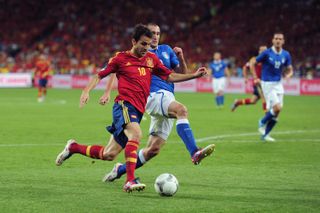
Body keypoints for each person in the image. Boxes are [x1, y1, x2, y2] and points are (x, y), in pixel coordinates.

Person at [55, 24, 208, 193]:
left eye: (148, 44)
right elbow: (100, 75)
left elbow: (170, 76)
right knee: (136, 134)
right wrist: (86, 91)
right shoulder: (120, 58)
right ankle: (129, 181)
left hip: (138, 109)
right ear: (134, 41)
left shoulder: (151, 60)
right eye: (143, 44)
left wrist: (194, 75)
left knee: (108, 154)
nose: (146, 48)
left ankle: (73, 147)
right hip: (124, 106)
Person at [100, 23, 215, 183]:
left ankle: (119, 170)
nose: (155, 36)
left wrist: (181, 57)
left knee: (153, 150)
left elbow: (181, 74)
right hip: (153, 96)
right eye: (152, 33)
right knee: (181, 110)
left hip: (167, 97)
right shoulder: (142, 54)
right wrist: (107, 91)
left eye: (158, 33)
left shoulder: (166, 50)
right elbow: (117, 68)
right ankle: (194, 151)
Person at [250, 33, 293, 142]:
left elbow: (290, 69)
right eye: (276, 38)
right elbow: (252, 63)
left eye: (280, 39)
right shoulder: (266, 53)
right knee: (277, 108)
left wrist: (289, 74)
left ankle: (265, 135)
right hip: (267, 84)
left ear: (283, 41)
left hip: (278, 84)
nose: (278, 40)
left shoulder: (286, 54)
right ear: (273, 40)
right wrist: (255, 77)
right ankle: (262, 121)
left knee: (277, 112)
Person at [231, 46, 267, 112]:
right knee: (264, 97)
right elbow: (245, 67)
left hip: (266, 82)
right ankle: (267, 117)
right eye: (261, 50)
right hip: (257, 82)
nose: (263, 51)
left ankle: (237, 102)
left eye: (265, 50)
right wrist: (245, 77)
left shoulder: (269, 60)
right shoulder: (255, 59)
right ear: (259, 51)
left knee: (253, 101)